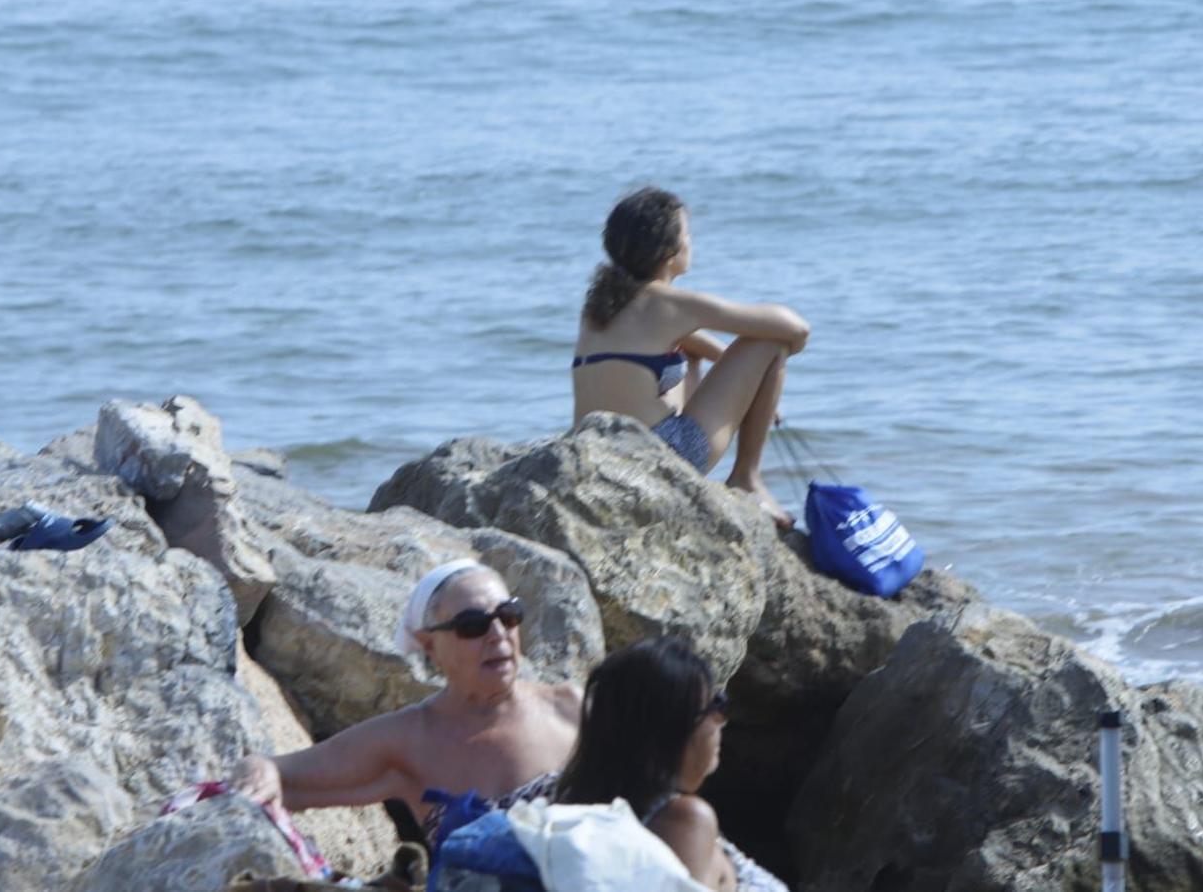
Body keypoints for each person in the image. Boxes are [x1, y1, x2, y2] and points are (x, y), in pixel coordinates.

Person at [228, 561, 580, 844]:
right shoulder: (410, 739)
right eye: (473, 625)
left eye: (508, 615)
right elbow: (283, 773)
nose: (498, 634)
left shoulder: (571, 708)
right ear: (430, 646)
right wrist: (257, 772)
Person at [572, 186, 808, 528]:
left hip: (598, 453)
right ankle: (746, 478)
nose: (691, 243)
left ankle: (744, 475)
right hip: (665, 455)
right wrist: (767, 369)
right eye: (688, 235)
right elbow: (795, 329)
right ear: (670, 250)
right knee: (769, 344)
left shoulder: (599, 305)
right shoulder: (672, 304)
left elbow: (688, 340)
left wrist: (749, 384)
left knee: (684, 354)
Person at [554, 636, 787, 892]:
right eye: (716, 704)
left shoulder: (567, 798)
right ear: (670, 732)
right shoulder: (685, 821)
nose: (722, 720)